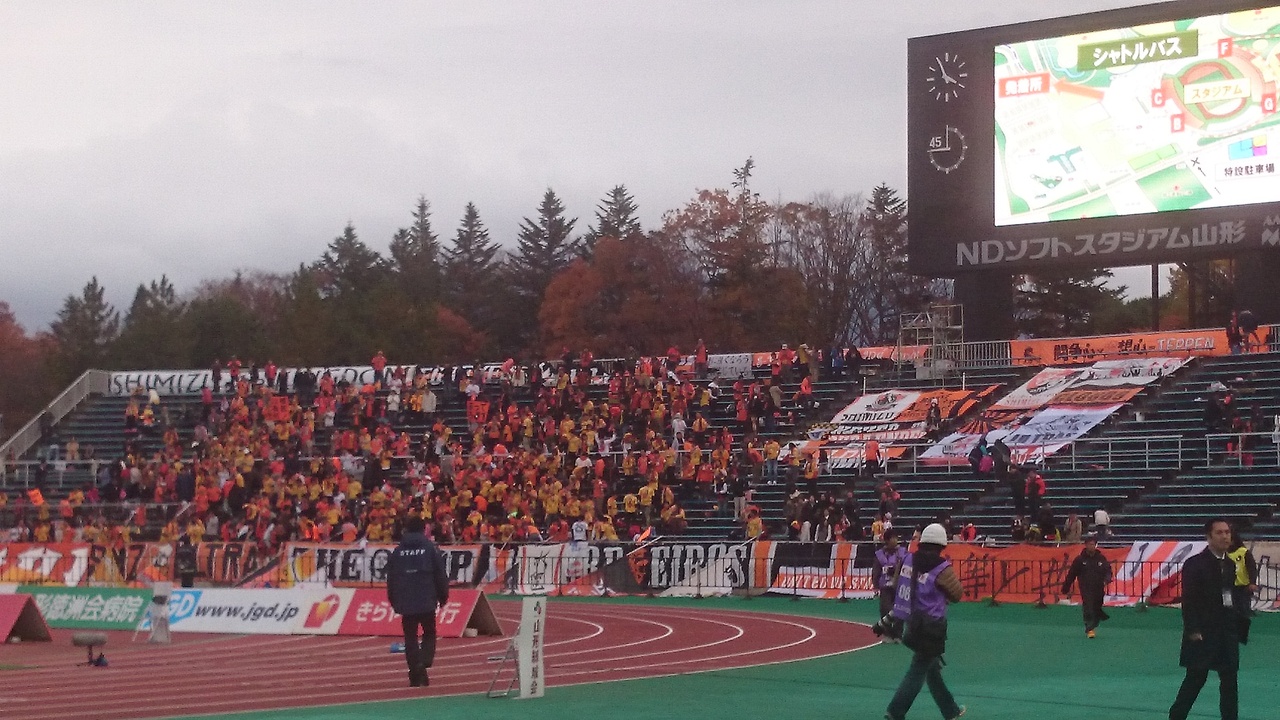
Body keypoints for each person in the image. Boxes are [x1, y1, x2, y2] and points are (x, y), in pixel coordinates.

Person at [1169, 518, 1248, 720]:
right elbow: (1190, 599)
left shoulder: (1230, 564)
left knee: (1230, 682)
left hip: (1226, 632)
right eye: (1219, 533)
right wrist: (1193, 629)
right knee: (1195, 679)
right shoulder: (1195, 564)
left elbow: (1230, 595)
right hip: (1203, 632)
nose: (1225, 536)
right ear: (1209, 537)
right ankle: (1176, 716)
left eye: (1227, 532)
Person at [885, 523, 965, 720]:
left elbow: (896, 585)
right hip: (932, 627)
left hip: (912, 622)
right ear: (941, 545)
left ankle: (950, 710)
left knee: (931, 668)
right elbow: (957, 594)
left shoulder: (907, 560)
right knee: (919, 669)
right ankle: (895, 712)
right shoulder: (942, 567)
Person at [387, 515, 450, 688]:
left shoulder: (398, 551)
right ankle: (423, 662)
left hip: (406, 600)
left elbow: (391, 578)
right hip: (426, 598)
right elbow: (439, 574)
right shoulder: (430, 549)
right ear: (424, 529)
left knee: (410, 637)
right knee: (429, 633)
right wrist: (443, 596)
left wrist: (393, 599)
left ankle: (415, 670)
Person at [1061, 534, 1112, 638]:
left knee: (1097, 606)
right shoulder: (1079, 560)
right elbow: (1072, 574)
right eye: (1090, 544)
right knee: (1088, 606)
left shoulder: (1101, 558)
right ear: (1085, 545)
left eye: (1093, 544)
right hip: (1085, 587)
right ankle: (1089, 628)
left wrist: (1107, 579)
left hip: (1099, 587)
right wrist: (1066, 587)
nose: (1092, 546)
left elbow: (1108, 570)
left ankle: (1097, 618)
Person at [873, 530, 907, 623]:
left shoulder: (903, 552)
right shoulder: (879, 554)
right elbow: (876, 571)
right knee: (885, 609)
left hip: (900, 586)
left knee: (900, 609)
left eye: (896, 538)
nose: (896, 540)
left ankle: (898, 629)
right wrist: (875, 585)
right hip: (885, 586)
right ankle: (886, 628)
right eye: (893, 538)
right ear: (887, 540)